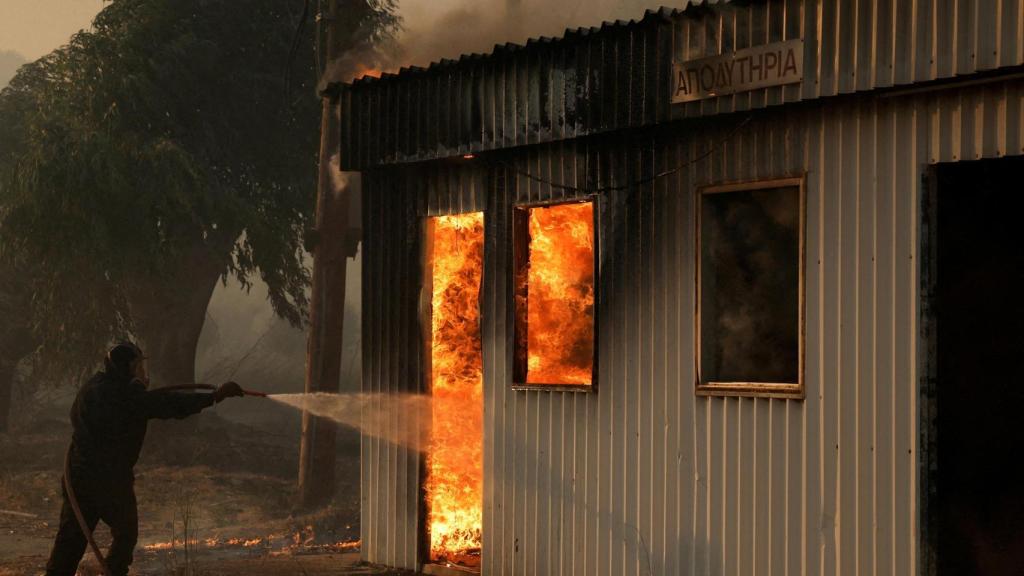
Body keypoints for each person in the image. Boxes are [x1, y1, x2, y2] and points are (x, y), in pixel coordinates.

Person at [45, 342, 245, 576]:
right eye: (139, 366)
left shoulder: (93, 388)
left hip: (79, 477)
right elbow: (169, 404)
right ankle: (113, 571)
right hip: (111, 482)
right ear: (129, 367)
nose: (142, 371)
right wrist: (214, 397)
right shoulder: (129, 396)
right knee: (126, 533)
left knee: (70, 541)